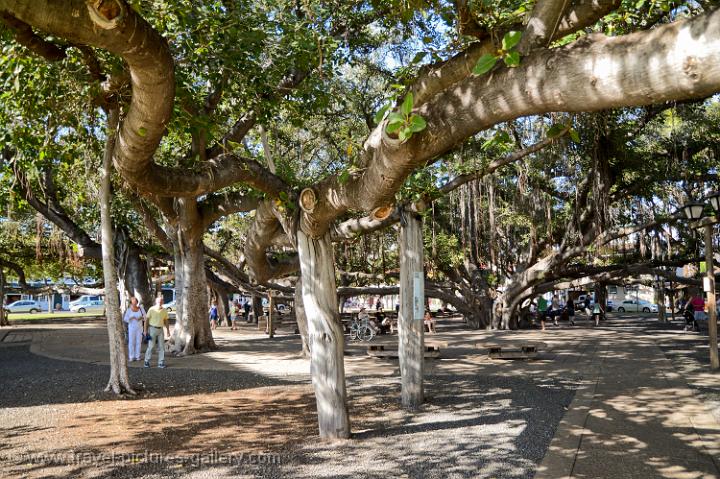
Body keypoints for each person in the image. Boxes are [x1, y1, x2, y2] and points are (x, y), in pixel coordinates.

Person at [144, 296, 170, 368]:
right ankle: (146, 361)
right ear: (156, 302)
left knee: (162, 347)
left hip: (160, 329)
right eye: (158, 301)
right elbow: (146, 320)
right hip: (152, 329)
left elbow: (166, 321)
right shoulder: (151, 309)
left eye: (161, 301)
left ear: (163, 302)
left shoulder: (164, 310)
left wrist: (168, 330)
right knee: (151, 346)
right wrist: (145, 330)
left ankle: (161, 362)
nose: (160, 302)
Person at [123, 297, 146, 362]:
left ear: (137, 302)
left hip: (140, 327)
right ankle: (131, 356)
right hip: (132, 328)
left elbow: (145, 317)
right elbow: (125, 319)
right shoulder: (129, 310)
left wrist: (141, 318)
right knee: (131, 342)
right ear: (131, 302)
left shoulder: (141, 309)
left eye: (135, 301)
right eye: (133, 301)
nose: (134, 303)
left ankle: (137, 356)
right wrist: (131, 318)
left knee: (139, 342)